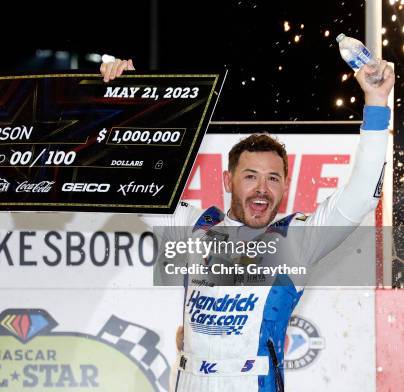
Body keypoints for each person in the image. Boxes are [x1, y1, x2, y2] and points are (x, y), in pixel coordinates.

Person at [101, 57, 395, 391]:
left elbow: (362, 195)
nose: (262, 188)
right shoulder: (195, 224)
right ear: (228, 180)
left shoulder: (296, 239)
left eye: (273, 178)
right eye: (250, 177)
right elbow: (131, 183)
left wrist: (376, 101)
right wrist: (128, 99)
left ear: (285, 186)